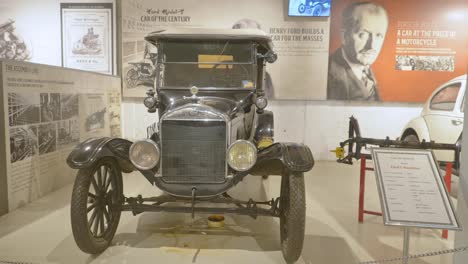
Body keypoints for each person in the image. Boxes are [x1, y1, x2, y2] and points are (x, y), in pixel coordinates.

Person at [327, 2, 388, 101]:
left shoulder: (364, 69)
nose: (372, 46)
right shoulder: (329, 78)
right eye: (363, 35)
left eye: (378, 35)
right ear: (344, 37)